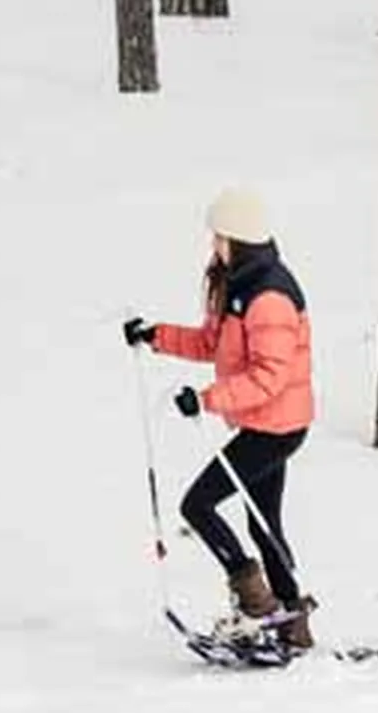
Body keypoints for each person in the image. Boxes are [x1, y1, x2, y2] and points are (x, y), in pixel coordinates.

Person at [126, 189, 318, 647]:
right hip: (265, 423)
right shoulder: (237, 285)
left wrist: (208, 398)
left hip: (277, 427)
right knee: (262, 521)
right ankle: (291, 622)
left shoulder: (269, 297)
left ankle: (258, 606)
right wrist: (156, 337)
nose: (214, 246)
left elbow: (269, 377)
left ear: (242, 240)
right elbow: (213, 344)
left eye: (221, 238)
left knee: (198, 505)